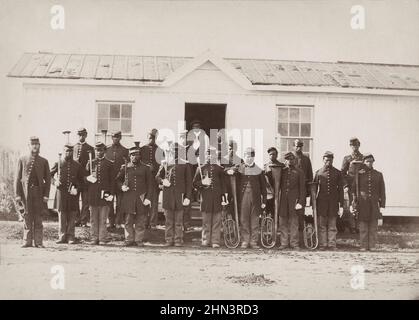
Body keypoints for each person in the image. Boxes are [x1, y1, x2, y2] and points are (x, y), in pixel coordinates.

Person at [14, 136, 51, 248]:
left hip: (39, 194)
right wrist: (17, 195)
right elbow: (17, 178)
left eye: (37, 144)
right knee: (27, 216)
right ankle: (27, 241)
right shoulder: (22, 159)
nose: (35, 146)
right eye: (33, 144)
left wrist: (46, 195)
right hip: (26, 194)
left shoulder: (44, 161)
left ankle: (39, 242)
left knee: (38, 218)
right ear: (29, 146)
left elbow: (48, 180)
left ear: (39, 146)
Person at [156, 143, 192, 247]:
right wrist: (162, 181)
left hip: (180, 196)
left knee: (179, 220)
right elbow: (157, 177)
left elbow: (189, 183)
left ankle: (178, 240)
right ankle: (168, 239)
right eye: (173, 150)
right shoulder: (165, 163)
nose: (175, 153)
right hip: (168, 196)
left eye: (177, 150)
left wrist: (188, 197)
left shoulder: (185, 165)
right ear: (170, 151)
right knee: (168, 220)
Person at [117, 145, 153, 246]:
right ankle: (129, 239)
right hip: (128, 198)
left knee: (140, 221)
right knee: (128, 220)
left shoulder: (146, 168)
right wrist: (122, 187)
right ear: (129, 156)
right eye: (132, 155)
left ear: (140, 156)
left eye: (137, 155)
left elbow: (151, 185)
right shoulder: (125, 168)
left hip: (141, 198)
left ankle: (138, 240)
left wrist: (148, 198)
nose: (134, 157)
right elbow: (118, 180)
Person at [193, 146, 228, 248]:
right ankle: (205, 240)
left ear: (215, 155)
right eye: (208, 154)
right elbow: (194, 184)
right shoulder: (200, 168)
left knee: (217, 222)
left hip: (217, 199)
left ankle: (215, 241)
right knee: (206, 222)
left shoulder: (220, 169)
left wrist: (224, 198)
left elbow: (224, 185)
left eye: (212, 154)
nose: (210, 156)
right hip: (206, 199)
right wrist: (202, 182)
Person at [50, 144, 84, 244]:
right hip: (61, 193)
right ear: (63, 151)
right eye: (66, 151)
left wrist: (77, 189)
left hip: (73, 194)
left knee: (72, 214)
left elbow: (82, 180)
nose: (68, 153)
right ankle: (62, 236)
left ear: (72, 152)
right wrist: (55, 182)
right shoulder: (59, 163)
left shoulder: (77, 165)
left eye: (70, 151)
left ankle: (71, 236)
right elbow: (49, 175)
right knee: (62, 214)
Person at [352, 153, 386, 252]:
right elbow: (354, 190)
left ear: (373, 162)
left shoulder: (378, 174)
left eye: (371, 161)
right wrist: (354, 203)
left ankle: (372, 246)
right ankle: (363, 246)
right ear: (364, 162)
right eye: (367, 161)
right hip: (362, 204)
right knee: (363, 227)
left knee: (373, 227)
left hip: (374, 204)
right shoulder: (359, 175)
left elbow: (382, 190)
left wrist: (382, 204)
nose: (369, 163)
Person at [236, 147, 266, 249]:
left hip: (256, 197)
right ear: (244, 157)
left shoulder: (259, 170)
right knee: (244, 219)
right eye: (247, 156)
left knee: (255, 219)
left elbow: (263, 187)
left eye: (251, 156)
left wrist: (264, 201)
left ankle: (253, 241)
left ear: (254, 157)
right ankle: (245, 241)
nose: (249, 158)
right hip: (244, 196)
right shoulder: (239, 169)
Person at [313, 151, 344, 250]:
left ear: (332, 160)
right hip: (321, 203)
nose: (328, 162)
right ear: (323, 160)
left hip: (333, 203)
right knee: (322, 226)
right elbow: (313, 189)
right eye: (326, 160)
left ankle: (332, 244)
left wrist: (341, 205)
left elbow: (340, 190)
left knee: (332, 226)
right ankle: (322, 244)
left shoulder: (337, 173)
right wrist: (312, 205)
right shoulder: (318, 173)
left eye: (330, 160)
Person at [86, 142, 114, 245]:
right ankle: (94, 238)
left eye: (101, 150)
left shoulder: (109, 164)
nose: (99, 152)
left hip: (104, 195)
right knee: (93, 219)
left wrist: (111, 194)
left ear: (104, 151)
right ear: (95, 151)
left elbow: (112, 181)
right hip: (93, 195)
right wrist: (87, 178)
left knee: (103, 218)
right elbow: (84, 178)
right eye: (97, 150)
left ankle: (102, 238)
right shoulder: (90, 163)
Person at [278, 152, 305, 250]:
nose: (290, 161)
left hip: (294, 200)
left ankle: (294, 243)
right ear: (285, 161)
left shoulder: (299, 172)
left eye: (291, 159)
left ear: (294, 160)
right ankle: (284, 243)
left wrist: (301, 202)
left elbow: (303, 189)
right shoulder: (282, 171)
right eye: (287, 159)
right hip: (283, 200)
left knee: (294, 223)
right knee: (283, 222)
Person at [140, 129, 164, 229]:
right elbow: (138, 162)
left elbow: (163, 165)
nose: (151, 139)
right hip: (144, 181)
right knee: (144, 202)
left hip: (154, 181)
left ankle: (153, 223)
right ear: (147, 137)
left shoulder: (160, 150)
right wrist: (146, 167)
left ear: (156, 138)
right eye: (150, 137)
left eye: (153, 138)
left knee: (154, 203)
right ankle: (144, 222)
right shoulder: (142, 149)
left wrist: (156, 171)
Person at [105, 131, 129, 229]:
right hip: (109, 181)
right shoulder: (106, 149)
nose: (116, 139)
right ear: (111, 138)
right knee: (109, 202)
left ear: (120, 138)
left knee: (120, 202)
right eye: (114, 137)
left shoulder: (125, 150)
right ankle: (111, 222)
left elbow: (127, 167)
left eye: (118, 137)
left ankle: (118, 222)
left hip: (120, 181)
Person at [292, 139, 313, 246]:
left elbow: (310, 175)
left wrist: (308, 191)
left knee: (301, 213)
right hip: (292, 190)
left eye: (300, 146)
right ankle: (293, 239)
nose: (298, 148)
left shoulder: (306, 159)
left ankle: (301, 240)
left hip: (303, 190)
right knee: (292, 213)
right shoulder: (290, 159)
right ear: (293, 147)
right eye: (296, 146)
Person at [341, 137, 363, 233]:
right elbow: (342, 173)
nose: (355, 147)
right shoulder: (347, 158)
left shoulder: (363, 158)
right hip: (351, 185)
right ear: (350, 146)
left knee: (361, 204)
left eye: (356, 145)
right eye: (353, 145)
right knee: (351, 204)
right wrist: (345, 185)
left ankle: (359, 226)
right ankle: (352, 226)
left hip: (362, 185)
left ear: (359, 145)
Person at [73, 127, 95, 227]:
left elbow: (93, 164)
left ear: (86, 135)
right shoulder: (73, 147)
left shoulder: (90, 148)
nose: (81, 136)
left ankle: (83, 221)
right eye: (79, 134)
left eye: (83, 134)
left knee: (85, 201)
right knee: (75, 199)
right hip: (76, 179)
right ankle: (76, 219)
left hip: (85, 179)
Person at [264, 147, 284, 215]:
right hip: (269, 192)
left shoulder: (281, 165)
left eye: (274, 154)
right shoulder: (266, 166)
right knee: (268, 210)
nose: (272, 156)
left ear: (277, 155)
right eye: (270, 154)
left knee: (278, 210)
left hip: (279, 192)